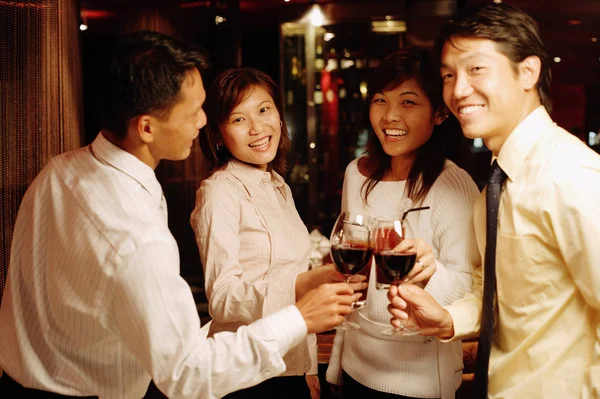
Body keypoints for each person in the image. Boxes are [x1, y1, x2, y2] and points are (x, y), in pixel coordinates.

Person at [0, 31, 360, 399]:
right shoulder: (136, 236)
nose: (204, 121)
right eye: (193, 112)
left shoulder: (59, 170)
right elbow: (187, 372)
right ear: (147, 127)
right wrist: (299, 317)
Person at [388, 4, 600, 399]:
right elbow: (500, 294)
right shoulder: (495, 186)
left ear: (528, 72)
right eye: (449, 75)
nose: (458, 89)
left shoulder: (570, 175)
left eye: (476, 69)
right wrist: (447, 318)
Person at [190, 67, 366, 399]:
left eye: (263, 109)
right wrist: (304, 284)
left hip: (290, 367)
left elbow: (295, 271)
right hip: (248, 371)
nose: (257, 127)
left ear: (279, 116)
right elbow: (222, 298)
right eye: (238, 119)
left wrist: (308, 365)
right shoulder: (218, 192)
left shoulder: (278, 185)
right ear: (217, 135)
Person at [325, 48, 480, 399]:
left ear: (440, 113)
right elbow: (356, 275)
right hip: (355, 365)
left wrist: (428, 274)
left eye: (408, 102)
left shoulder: (453, 184)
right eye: (381, 100)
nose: (390, 116)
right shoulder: (356, 173)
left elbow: (469, 286)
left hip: (418, 380)